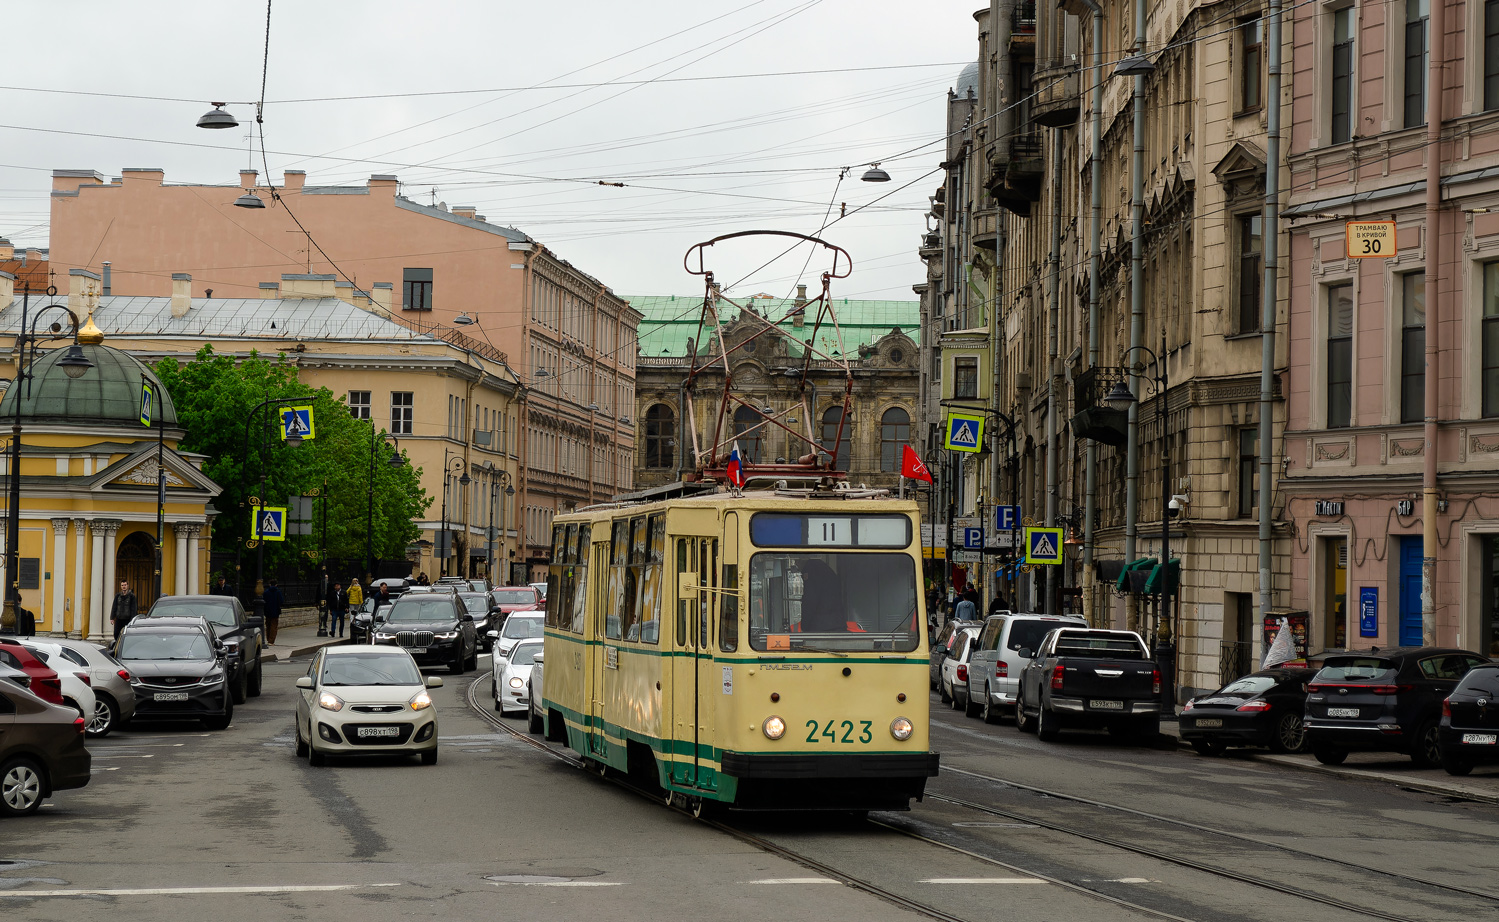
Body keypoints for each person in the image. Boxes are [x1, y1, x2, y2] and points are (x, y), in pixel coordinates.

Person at [262, 579, 284, 645]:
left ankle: (268, 638)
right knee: (273, 626)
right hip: (275, 611)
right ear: (276, 584)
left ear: (270, 584)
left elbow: (263, 601)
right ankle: (271, 641)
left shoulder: (266, 592)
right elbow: (281, 601)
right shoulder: (278, 592)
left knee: (268, 625)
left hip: (267, 611)